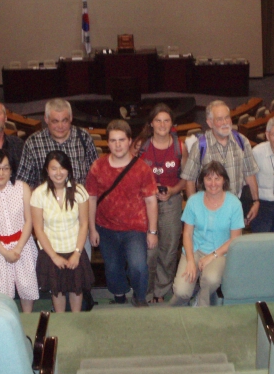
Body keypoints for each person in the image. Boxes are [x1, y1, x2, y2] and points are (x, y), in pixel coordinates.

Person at [86, 120, 158, 307]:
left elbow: (151, 201)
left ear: (129, 141)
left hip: (135, 228)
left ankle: (139, 297)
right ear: (107, 143)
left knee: (138, 266)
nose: (117, 145)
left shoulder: (142, 168)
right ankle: (119, 296)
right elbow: (91, 199)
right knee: (112, 267)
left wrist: (152, 231)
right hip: (105, 227)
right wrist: (92, 229)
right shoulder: (97, 167)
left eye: (121, 140)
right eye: (113, 140)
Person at [133, 103, 187, 303]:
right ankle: (145, 290)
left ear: (172, 123)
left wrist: (172, 190)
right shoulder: (141, 146)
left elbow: (186, 178)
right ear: (151, 123)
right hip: (145, 203)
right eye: (158, 120)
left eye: (166, 120)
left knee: (168, 249)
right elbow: (130, 174)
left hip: (171, 202)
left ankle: (160, 290)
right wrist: (147, 190)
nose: (162, 124)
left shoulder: (180, 147)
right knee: (148, 250)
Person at [169, 161, 243, 307]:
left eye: (217, 178)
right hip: (195, 250)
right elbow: (187, 234)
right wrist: (190, 260)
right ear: (202, 181)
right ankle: (175, 307)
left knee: (210, 279)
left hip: (220, 253)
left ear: (224, 180)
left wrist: (212, 256)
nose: (213, 183)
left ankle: (201, 304)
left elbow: (235, 239)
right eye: (209, 178)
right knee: (182, 291)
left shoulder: (234, 204)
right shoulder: (193, 201)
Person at [0, 149, 39, 312]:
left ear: (12, 170)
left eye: (5, 168)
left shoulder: (22, 188)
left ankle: (27, 319)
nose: (1, 173)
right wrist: (5, 252)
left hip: (23, 245)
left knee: (27, 289)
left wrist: (18, 248)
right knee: (1, 294)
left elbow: (29, 220)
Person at [31, 150, 94, 313]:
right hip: (52, 251)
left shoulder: (79, 191)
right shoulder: (39, 194)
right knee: (57, 291)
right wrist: (54, 256)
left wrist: (77, 253)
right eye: (54, 168)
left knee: (76, 289)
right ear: (47, 170)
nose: (58, 173)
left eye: (62, 168)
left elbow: (84, 224)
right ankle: (60, 320)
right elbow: (38, 229)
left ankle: (76, 319)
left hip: (74, 249)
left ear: (68, 169)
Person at [181, 100, 260, 225]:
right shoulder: (200, 146)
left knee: (235, 238)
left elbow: (250, 174)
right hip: (208, 210)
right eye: (219, 119)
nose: (225, 122)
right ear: (210, 123)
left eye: (227, 118)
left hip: (235, 207)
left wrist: (256, 201)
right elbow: (190, 180)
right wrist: (194, 209)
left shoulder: (242, 141)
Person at [17, 98, 97, 189]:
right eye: (55, 121)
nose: (60, 126)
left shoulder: (84, 137)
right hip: (45, 197)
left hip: (78, 196)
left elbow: (96, 175)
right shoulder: (33, 143)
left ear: (71, 118)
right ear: (46, 119)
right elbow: (22, 183)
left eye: (64, 120)